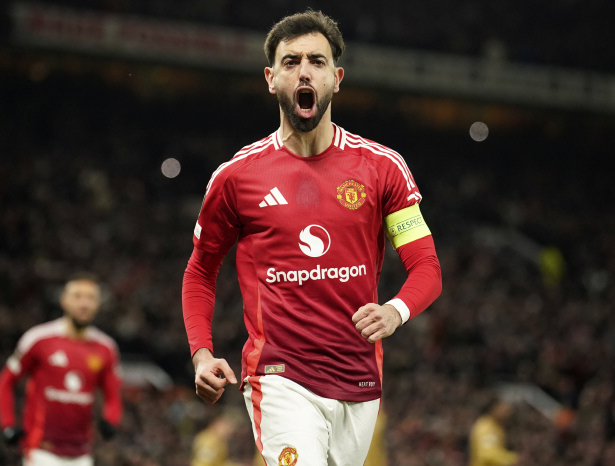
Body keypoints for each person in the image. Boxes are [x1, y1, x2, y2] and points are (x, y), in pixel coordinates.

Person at [182, 10, 442, 465]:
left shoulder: (383, 168)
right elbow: (200, 271)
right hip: (279, 376)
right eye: (291, 62)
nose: (304, 71)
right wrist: (202, 354)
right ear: (271, 79)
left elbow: (427, 267)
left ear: (336, 79)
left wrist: (395, 311)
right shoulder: (237, 177)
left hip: (359, 379)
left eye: (317, 61)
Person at [0, 274, 123, 466]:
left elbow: (113, 394)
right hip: (41, 450)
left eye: (91, 298)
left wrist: (111, 420)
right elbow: (5, 382)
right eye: (78, 296)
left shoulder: (106, 348)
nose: (84, 304)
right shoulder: (39, 339)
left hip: (82, 453)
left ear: (98, 304)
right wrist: (8, 424)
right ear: (64, 301)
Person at [469, 398, 520, 466]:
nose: (507, 412)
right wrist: (512, 459)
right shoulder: (487, 427)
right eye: (503, 407)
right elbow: (486, 454)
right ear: (494, 407)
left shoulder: (497, 427)